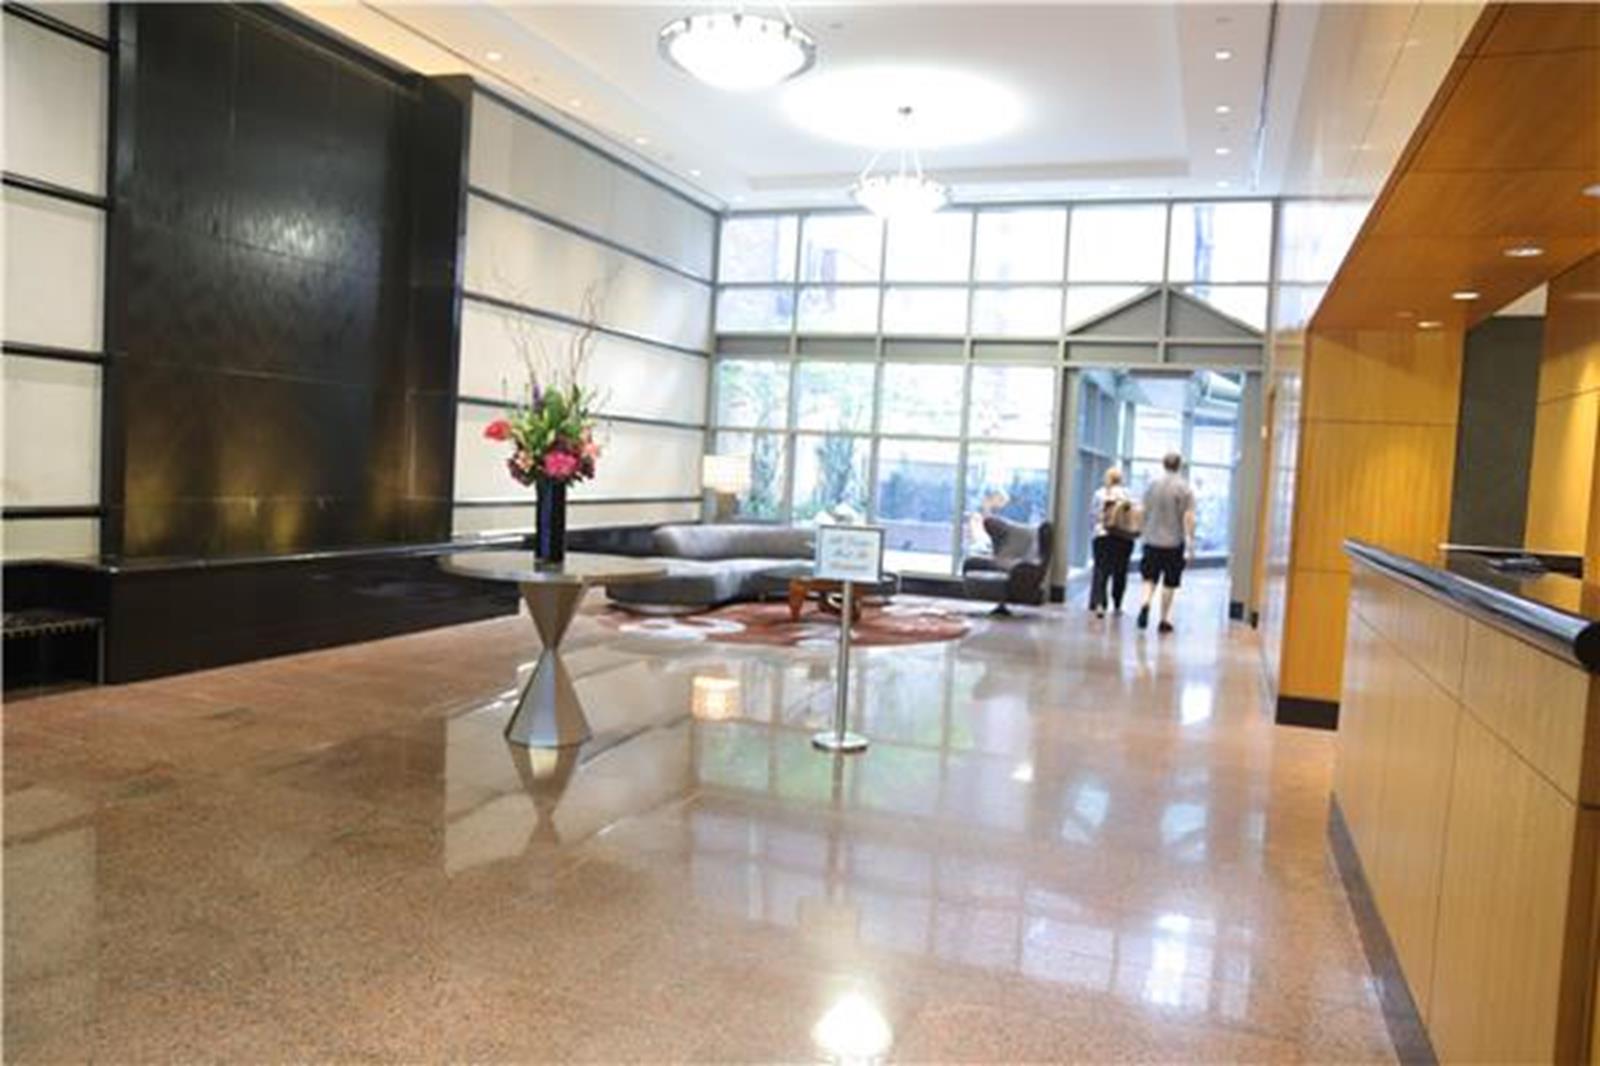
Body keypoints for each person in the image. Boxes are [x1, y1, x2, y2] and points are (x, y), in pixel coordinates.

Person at [1136, 452, 1197, 634]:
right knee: (1169, 583)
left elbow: (1142, 511)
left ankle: (1145, 603)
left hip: (1151, 540)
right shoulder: (1185, 488)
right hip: (1173, 543)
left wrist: (1141, 530)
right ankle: (1163, 620)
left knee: (1149, 578)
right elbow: (1188, 516)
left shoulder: (1151, 485)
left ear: (1163, 464)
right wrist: (1190, 541)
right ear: (1179, 465)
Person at [1088, 467, 1135, 618]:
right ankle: (1118, 604)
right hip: (1124, 537)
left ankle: (1100, 604)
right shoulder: (1128, 495)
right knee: (1120, 571)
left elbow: (1093, 516)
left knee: (1101, 570)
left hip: (1102, 536)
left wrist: (1095, 530)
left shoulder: (1099, 494)